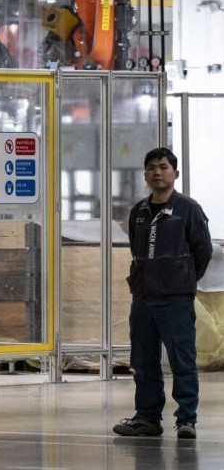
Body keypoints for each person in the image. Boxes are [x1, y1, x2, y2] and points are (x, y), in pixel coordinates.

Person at [114, 147, 213, 439]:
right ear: (145, 174)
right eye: (152, 167)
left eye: (164, 167)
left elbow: (203, 252)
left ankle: (186, 420)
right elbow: (136, 248)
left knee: (182, 359)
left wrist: (181, 279)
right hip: (143, 300)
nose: (158, 172)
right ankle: (147, 418)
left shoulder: (188, 209)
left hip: (175, 300)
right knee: (143, 362)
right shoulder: (139, 212)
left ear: (175, 173)